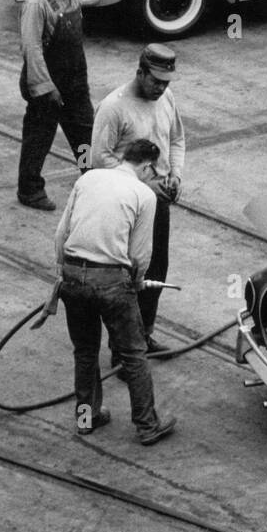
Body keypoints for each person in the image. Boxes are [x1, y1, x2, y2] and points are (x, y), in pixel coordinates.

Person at [37, 137, 176, 446]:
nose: (156, 179)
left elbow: (61, 234)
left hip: (72, 275)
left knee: (85, 351)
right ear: (147, 166)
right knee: (133, 354)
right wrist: (136, 283)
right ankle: (147, 426)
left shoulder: (90, 177)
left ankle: (87, 419)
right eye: (156, 173)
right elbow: (140, 256)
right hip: (112, 282)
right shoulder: (144, 194)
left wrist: (66, 275)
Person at [89, 44, 185, 355]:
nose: (161, 88)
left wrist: (176, 176)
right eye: (155, 80)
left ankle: (143, 336)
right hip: (125, 205)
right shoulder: (114, 107)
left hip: (158, 202)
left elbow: (177, 139)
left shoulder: (166, 98)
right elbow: (99, 160)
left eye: (166, 82)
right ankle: (123, 348)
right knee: (128, 274)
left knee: (156, 270)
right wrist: (141, 185)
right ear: (139, 72)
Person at [16, 0, 94, 211]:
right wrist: (45, 88)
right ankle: (29, 189)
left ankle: (92, 180)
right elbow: (32, 48)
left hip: (74, 83)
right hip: (47, 85)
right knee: (39, 138)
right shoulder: (38, 2)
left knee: (84, 135)